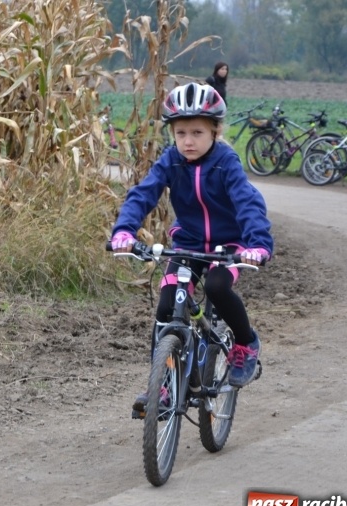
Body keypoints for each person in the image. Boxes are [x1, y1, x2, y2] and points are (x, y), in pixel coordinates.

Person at [108, 82, 273, 418]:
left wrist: (257, 245)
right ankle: (164, 384)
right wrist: (124, 230)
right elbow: (143, 194)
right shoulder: (171, 161)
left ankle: (245, 342)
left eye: (197, 132)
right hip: (188, 244)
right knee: (168, 304)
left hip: (230, 246)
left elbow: (247, 204)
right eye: (180, 132)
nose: (188, 141)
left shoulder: (226, 162)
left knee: (215, 286)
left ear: (215, 131)